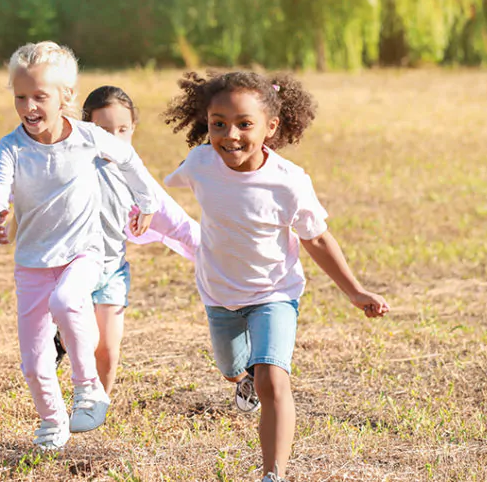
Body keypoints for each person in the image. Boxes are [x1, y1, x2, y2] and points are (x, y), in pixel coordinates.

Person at [163, 71, 390, 482]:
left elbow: (317, 239)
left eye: (244, 124)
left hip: (274, 293)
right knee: (234, 368)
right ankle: (242, 379)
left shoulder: (289, 183)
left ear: (271, 127)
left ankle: (274, 474)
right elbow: (159, 193)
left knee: (272, 380)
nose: (230, 135)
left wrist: (355, 291)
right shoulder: (199, 163)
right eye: (218, 124)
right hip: (219, 294)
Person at [0, 85, 200, 397]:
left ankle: (95, 405)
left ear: (133, 129)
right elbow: (5, 179)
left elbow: (179, 223)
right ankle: (63, 340)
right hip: (70, 267)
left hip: (112, 272)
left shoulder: (135, 177)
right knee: (87, 341)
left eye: (122, 130)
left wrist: (216, 253)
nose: (113, 138)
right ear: (87, 128)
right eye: (104, 129)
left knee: (108, 352)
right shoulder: (66, 161)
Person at [0, 42, 159, 450]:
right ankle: (51, 420)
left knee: (66, 301)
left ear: (66, 98)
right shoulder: (12, 146)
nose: (29, 106)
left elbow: (129, 160)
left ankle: (88, 386)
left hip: (83, 254)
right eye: (20, 97)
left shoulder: (87, 137)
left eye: (40, 96)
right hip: (31, 263)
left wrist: (145, 201)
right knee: (34, 361)